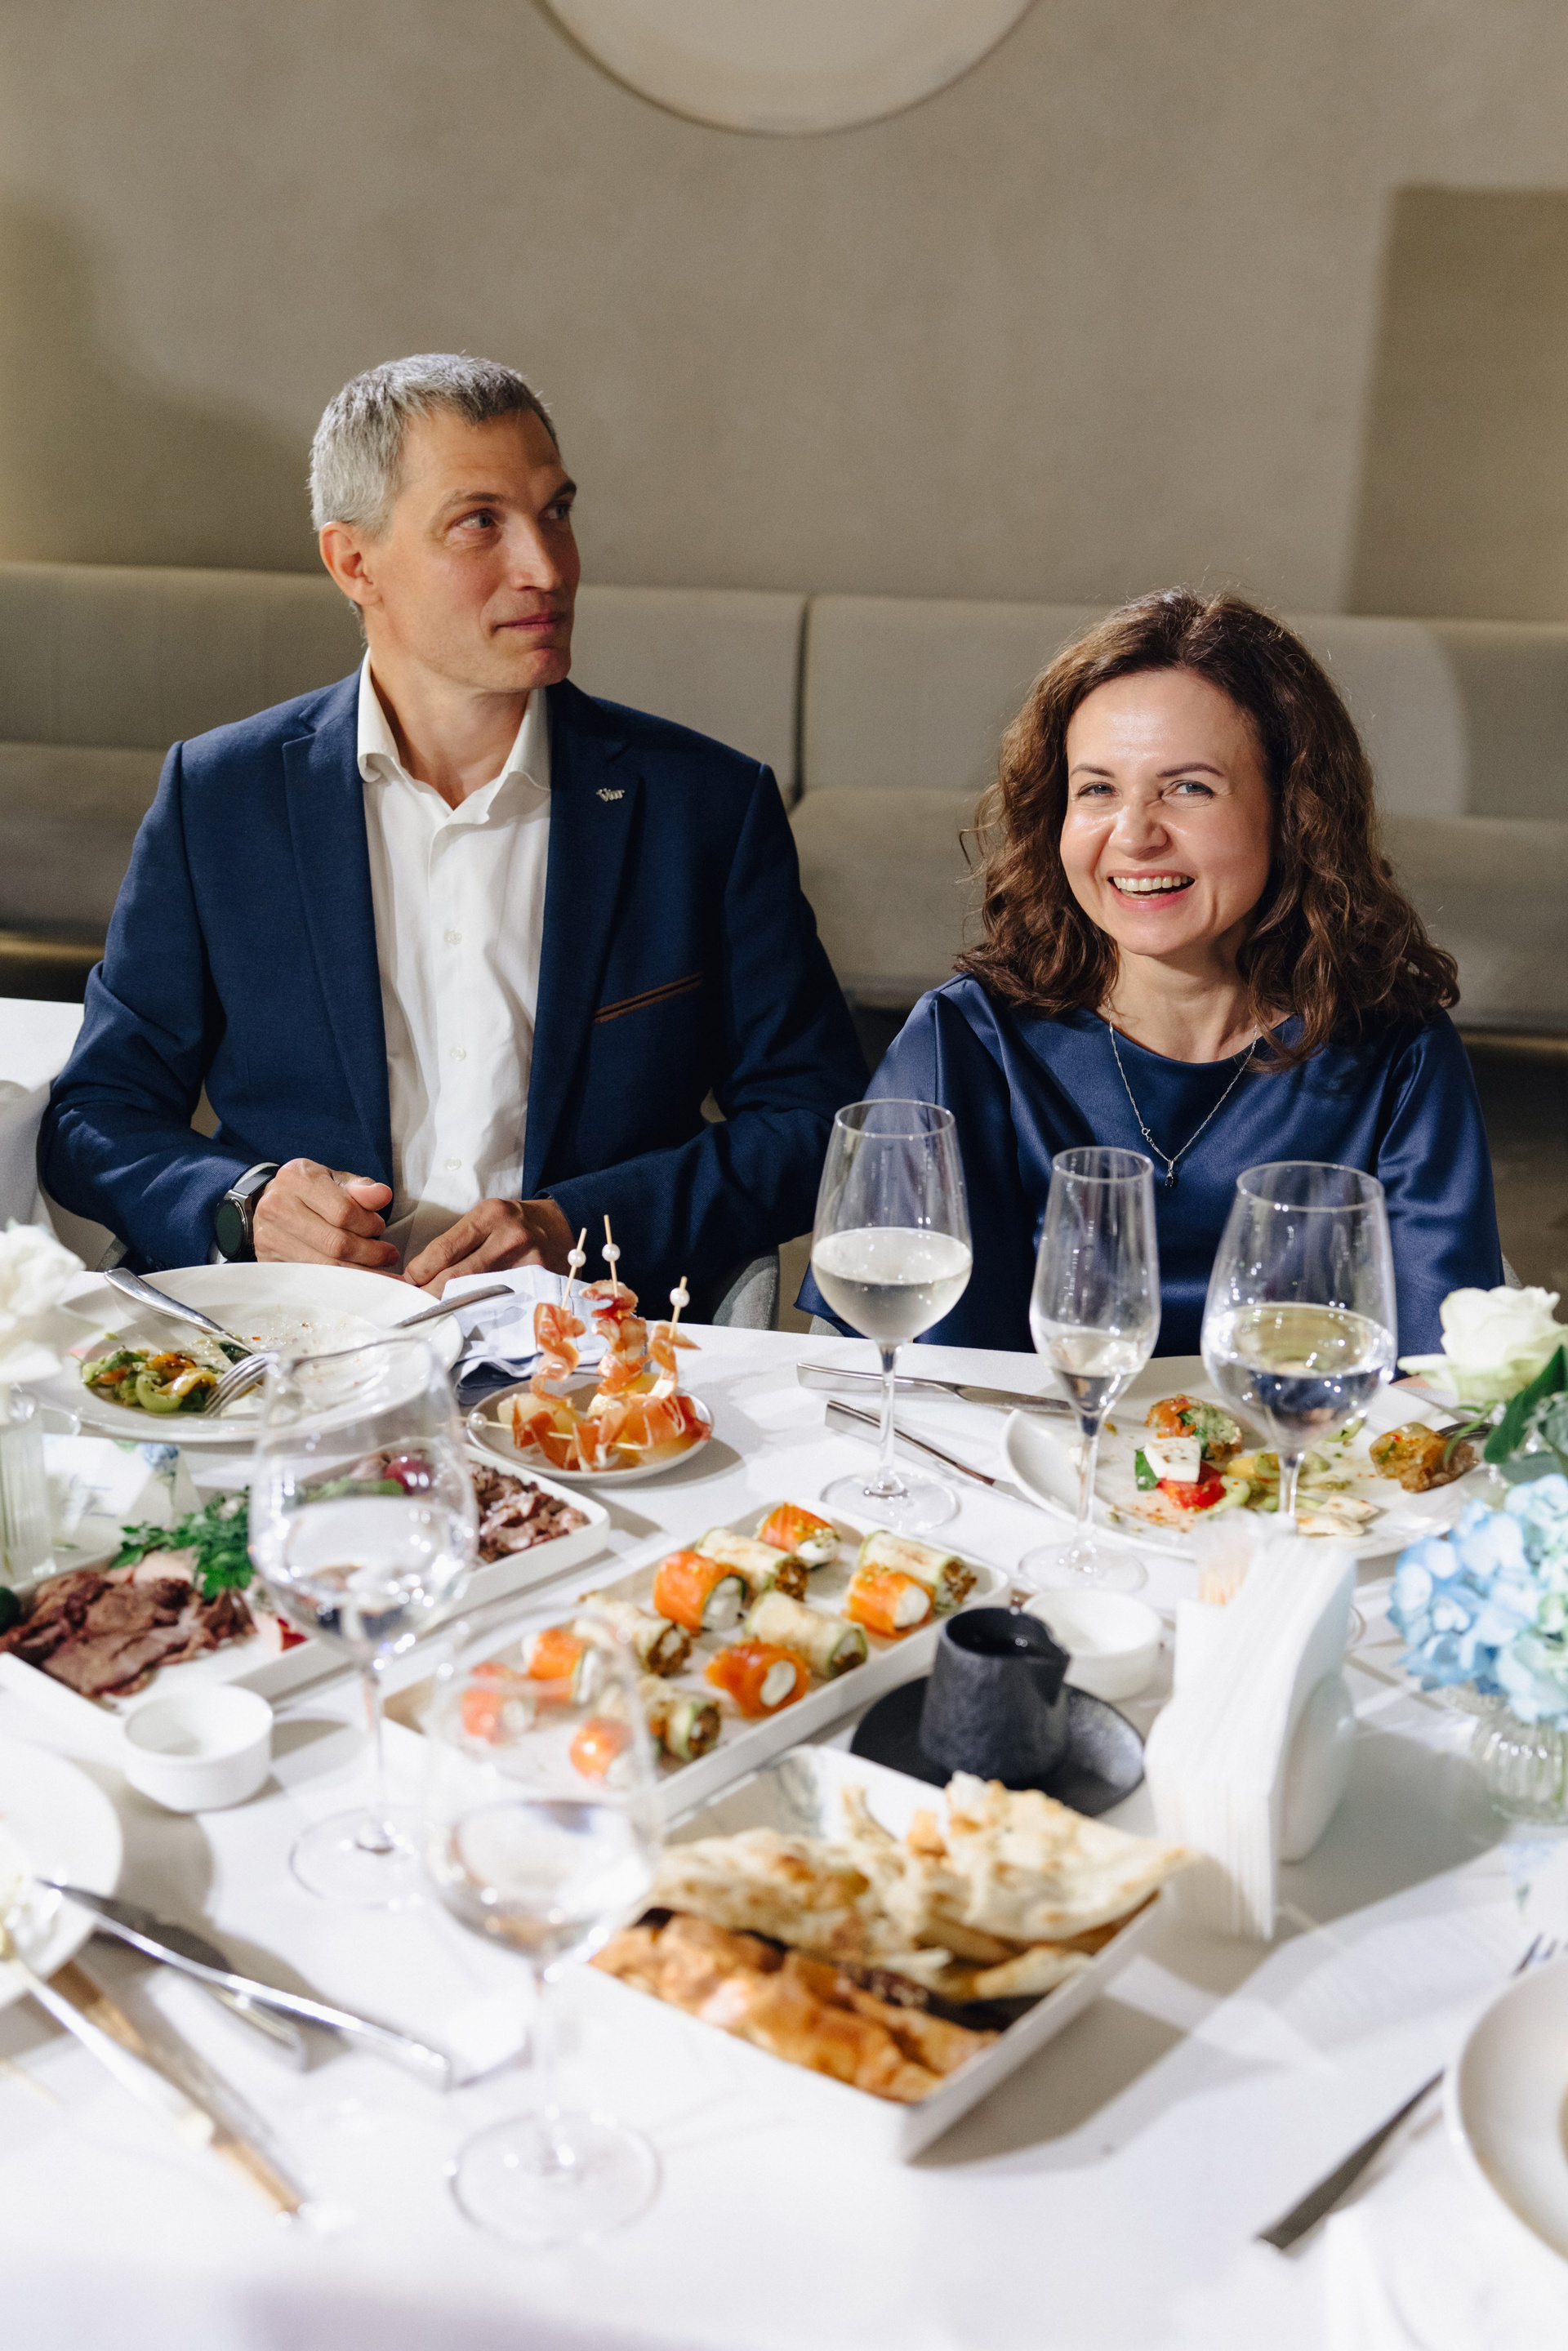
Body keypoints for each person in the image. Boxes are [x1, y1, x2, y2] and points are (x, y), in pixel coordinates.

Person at [41, 355, 866, 1302]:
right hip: (301, 1340)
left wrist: (578, 1225)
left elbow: (814, 1119)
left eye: (556, 512)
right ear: (354, 563)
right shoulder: (219, 797)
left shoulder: (706, 805)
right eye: (481, 522)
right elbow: (96, 1114)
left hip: (587, 1345)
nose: (547, 568)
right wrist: (244, 1203)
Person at [805, 589, 1502, 1358]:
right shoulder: (965, 1042)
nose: (1134, 835)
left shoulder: (1397, 1053)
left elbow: (1440, 1378)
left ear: (1295, 811)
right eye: (1097, 789)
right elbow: (896, 1372)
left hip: (1300, 1440)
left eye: (1188, 787)